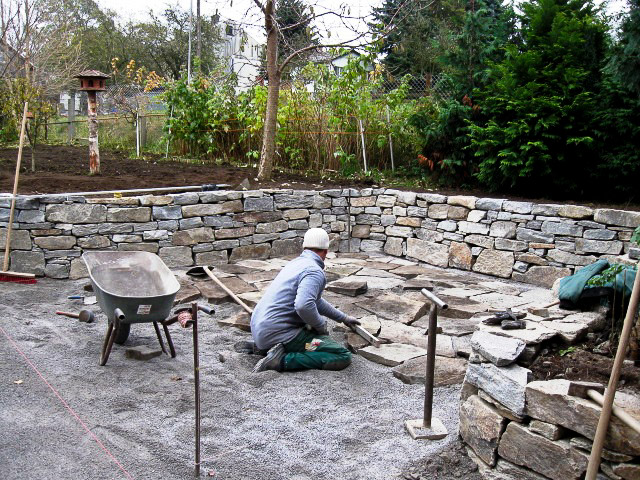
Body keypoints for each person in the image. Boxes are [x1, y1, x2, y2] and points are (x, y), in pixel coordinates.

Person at [249, 227, 361, 373]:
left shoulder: (295, 264)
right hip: (279, 334)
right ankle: (281, 361)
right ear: (326, 251)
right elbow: (303, 306)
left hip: (261, 329)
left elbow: (315, 301)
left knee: (310, 329)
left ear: (304, 247)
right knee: (341, 355)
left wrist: (343, 318)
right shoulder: (314, 271)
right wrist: (320, 326)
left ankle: (265, 348)